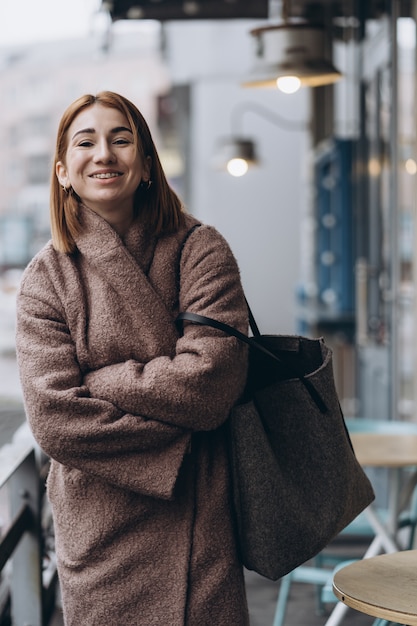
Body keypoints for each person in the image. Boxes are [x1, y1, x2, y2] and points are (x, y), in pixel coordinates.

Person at [15, 91, 249, 625]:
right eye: (86, 142)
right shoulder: (46, 279)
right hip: (99, 533)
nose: (105, 154)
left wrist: (102, 381)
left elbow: (211, 384)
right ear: (62, 170)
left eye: (122, 139)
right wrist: (179, 424)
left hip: (199, 519)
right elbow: (55, 420)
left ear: (146, 164)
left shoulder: (200, 248)